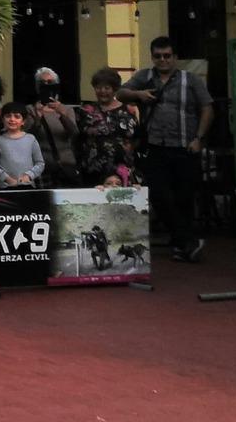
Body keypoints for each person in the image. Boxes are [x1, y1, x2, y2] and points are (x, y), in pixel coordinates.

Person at [120, 37, 213, 263]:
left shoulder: (190, 80)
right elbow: (120, 94)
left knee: (184, 197)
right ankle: (187, 242)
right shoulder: (144, 77)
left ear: (175, 57)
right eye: (158, 56)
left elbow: (207, 108)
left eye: (167, 56)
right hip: (155, 147)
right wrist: (139, 95)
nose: (163, 60)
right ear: (152, 57)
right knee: (159, 195)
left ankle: (182, 246)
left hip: (184, 146)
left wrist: (199, 138)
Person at [77, 68, 140, 186]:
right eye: (98, 88)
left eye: (107, 88)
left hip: (121, 171)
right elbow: (77, 136)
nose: (102, 91)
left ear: (115, 89)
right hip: (93, 171)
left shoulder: (128, 111)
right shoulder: (85, 111)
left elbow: (136, 138)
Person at [26, 67, 78, 184]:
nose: (46, 85)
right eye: (42, 83)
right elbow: (27, 138)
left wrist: (62, 114)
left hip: (66, 165)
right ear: (37, 87)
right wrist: (37, 119)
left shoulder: (66, 109)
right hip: (42, 167)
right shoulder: (31, 109)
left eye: (50, 82)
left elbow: (74, 133)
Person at [0, 104, 46, 186]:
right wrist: (7, 178)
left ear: (23, 121)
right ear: (3, 119)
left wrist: (29, 175)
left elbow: (40, 163)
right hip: (6, 186)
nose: (12, 119)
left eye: (17, 116)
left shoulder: (31, 139)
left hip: (27, 185)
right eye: (8, 116)